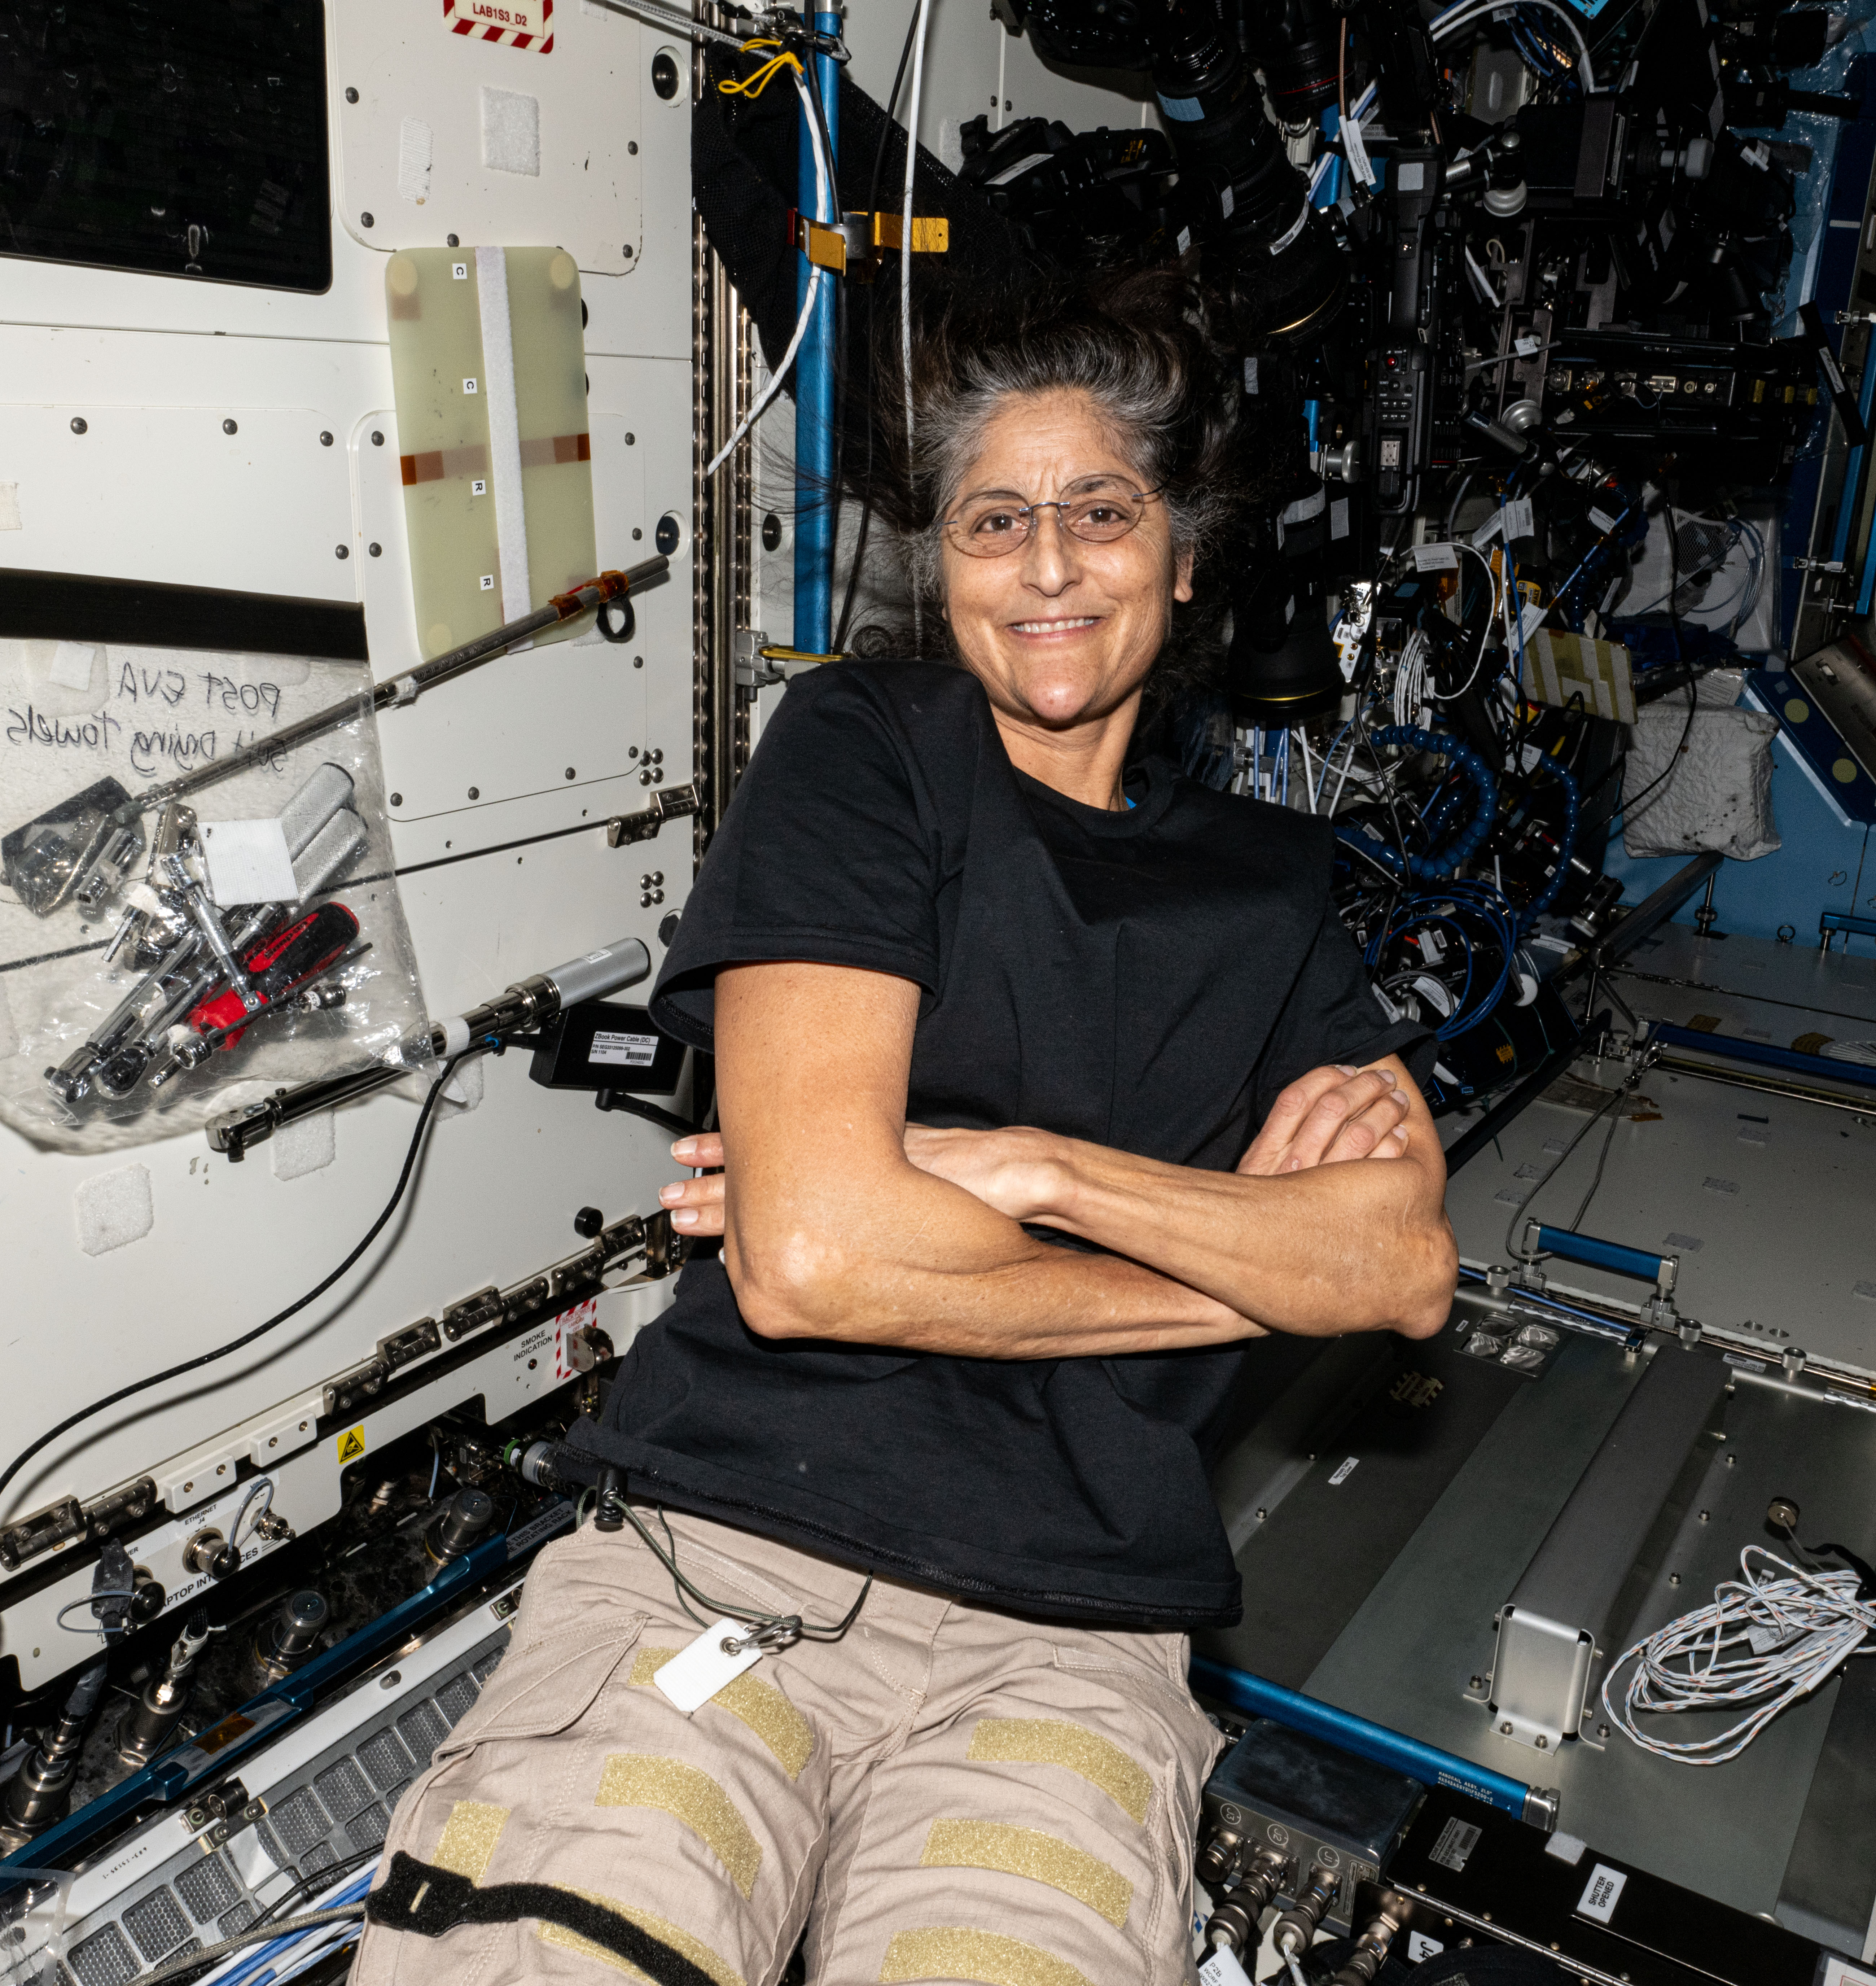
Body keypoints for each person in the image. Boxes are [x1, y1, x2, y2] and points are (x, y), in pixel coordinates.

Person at [350, 266, 1458, 1986]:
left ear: (1182, 552)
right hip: (726, 1559)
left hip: (1073, 1638)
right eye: (990, 519)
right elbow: (808, 1260)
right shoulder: (871, 748)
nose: (1044, 563)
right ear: (943, 569)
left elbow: (1396, 1262)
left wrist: (1028, 1166)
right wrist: (1249, 1267)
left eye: (1101, 510)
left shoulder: (1270, 881)